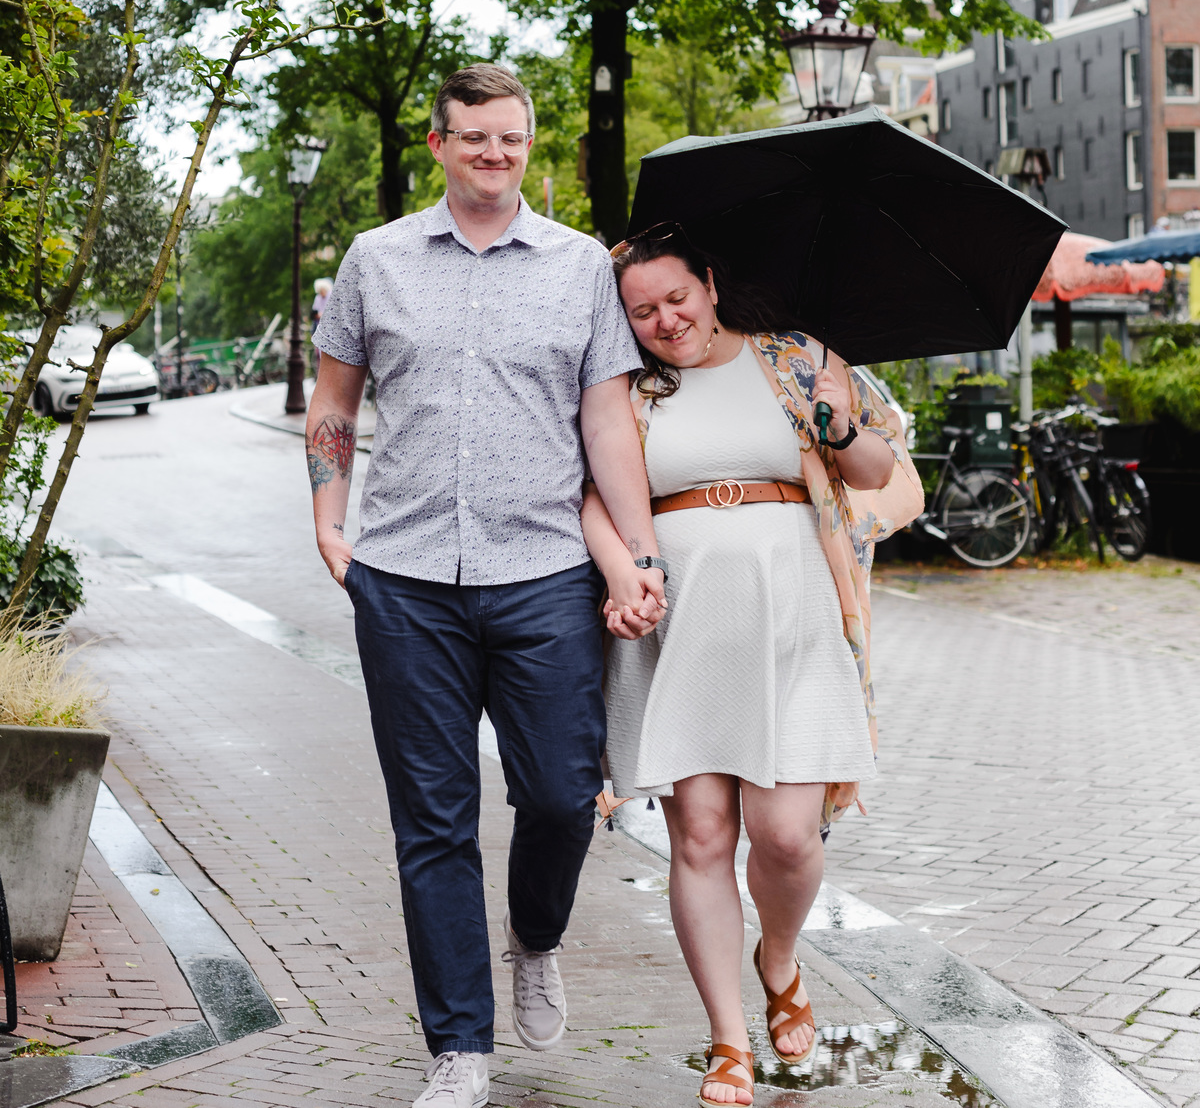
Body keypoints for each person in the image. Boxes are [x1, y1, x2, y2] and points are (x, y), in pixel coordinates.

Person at [304, 64, 667, 1108]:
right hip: (407, 580)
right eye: (474, 139)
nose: (495, 156)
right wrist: (328, 520)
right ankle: (458, 1046)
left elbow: (606, 418)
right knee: (432, 820)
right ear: (439, 144)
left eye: (510, 139)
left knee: (561, 794)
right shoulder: (376, 261)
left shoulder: (577, 269)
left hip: (546, 572)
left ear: (528, 143)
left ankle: (536, 937)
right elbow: (335, 400)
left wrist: (636, 556)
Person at [580, 224, 923, 1107]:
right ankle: (728, 1039)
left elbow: (876, 468)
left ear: (710, 284)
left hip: (796, 619)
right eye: (642, 310)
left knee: (785, 836)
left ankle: (779, 957)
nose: (665, 321)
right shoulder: (629, 390)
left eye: (677, 298)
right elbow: (594, 501)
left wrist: (835, 418)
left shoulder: (794, 359)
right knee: (701, 835)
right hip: (684, 626)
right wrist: (624, 573)